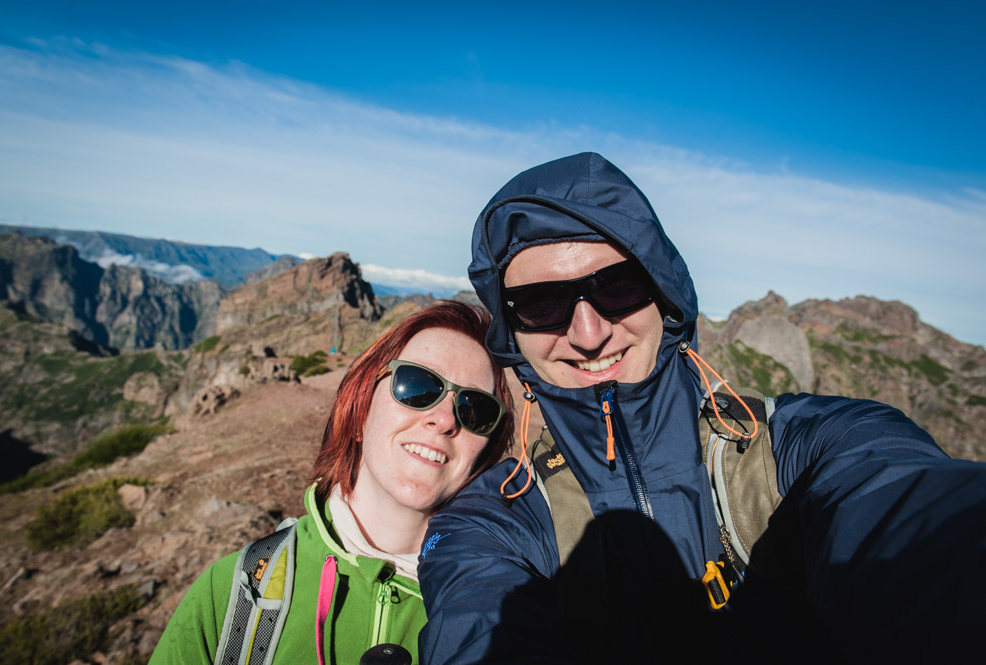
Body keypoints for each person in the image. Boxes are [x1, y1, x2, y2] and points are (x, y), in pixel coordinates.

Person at [417, 153, 986, 663]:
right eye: (540, 303)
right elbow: (476, 623)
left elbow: (911, 513)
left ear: (663, 295)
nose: (588, 334)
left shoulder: (810, 444)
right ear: (513, 336)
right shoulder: (489, 522)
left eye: (617, 286)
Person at [150, 301, 513, 665]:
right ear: (360, 408)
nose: (445, 419)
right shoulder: (232, 593)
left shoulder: (502, 616)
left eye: (475, 409)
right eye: (417, 385)